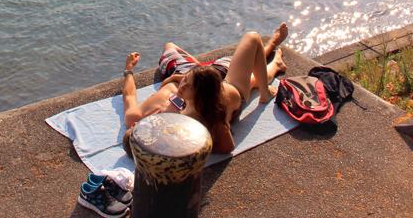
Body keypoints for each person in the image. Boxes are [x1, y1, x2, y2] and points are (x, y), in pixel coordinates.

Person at [121, 24, 288, 155]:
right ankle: (271, 59)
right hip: (225, 88)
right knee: (251, 61)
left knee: (169, 47)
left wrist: (129, 70)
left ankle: (196, 72)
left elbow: (129, 97)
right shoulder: (194, 121)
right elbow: (226, 147)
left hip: (198, 78)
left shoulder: (138, 118)